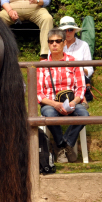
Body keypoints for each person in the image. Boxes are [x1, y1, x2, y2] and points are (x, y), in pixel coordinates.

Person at [36, 28, 88, 163]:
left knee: (84, 115)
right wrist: (55, 104)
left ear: (64, 43)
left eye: (57, 41)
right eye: (51, 41)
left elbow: (81, 87)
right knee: (50, 114)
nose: (54, 44)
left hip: (71, 102)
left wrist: (74, 102)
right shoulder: (42, 65)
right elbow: (38, 93)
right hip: (50, 103)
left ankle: (65, 144)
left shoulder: (73, 62)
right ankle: (61, 146)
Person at [59, 16, 94, 98]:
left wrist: (79, 70)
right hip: (60, 78)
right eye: (64, 30)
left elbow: (89, 69)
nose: (67, 33)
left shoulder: (83, 45)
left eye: (70, 30)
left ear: (74, 30)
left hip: (78, 78)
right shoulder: (55, 44)